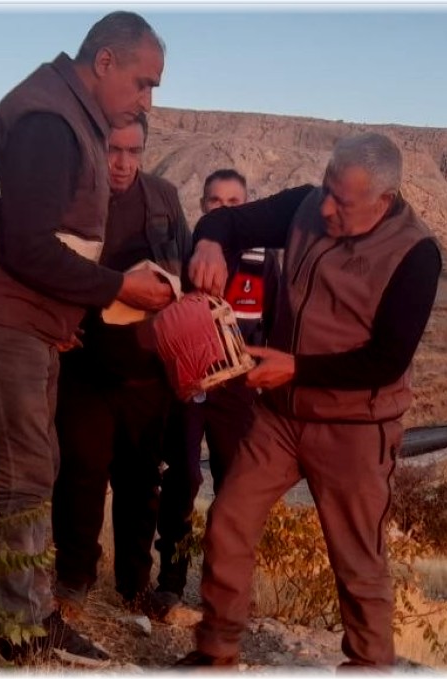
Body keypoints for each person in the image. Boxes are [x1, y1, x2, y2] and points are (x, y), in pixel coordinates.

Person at [0, 11, 173, 663]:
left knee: (31, 465)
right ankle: (23, 627)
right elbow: (27, 247)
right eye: (144, 82)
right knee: (25, 470)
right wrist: (119, 288)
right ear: (104, 63)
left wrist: (60, 317)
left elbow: (46, 244)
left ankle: (16, 605)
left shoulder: (63, 112)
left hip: (19, 318)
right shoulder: (49, 122)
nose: (148, 99)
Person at [173, 133, 443, 668]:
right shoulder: (304, 207)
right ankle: (216, 651)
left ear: (382, 202)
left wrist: (294, 367)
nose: (324, 207)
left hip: (355, 426)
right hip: (280, 416)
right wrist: (208, 241)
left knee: (357, 560)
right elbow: (231, 221)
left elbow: (387, 359)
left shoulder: (415, 254)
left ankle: (367, 664)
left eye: (341, 202)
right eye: (325, 189)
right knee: (228, 520)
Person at [51, 114, 191, 621]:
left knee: (139, 484)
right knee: (80, 475)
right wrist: (53, 321)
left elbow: (187, 271)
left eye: (133, 152)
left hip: (148, 374)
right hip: (84, 366)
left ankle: (134, 588)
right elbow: (45, 265)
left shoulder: (164, 198)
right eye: (114, 150)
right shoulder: (72, 195)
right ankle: (73, 581)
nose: (123, 163)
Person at [152, 169, 282, 612]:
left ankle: (224, 587)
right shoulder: (189, 253)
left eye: (234, 201)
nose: (224, 209)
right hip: (190, 387)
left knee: (235, 485)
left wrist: (263, 381)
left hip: (240, 389)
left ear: (248, 206)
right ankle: (170, 578)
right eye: (215, 201)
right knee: (182, 478)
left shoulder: (265, 260)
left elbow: (276, 322)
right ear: (203, 205)